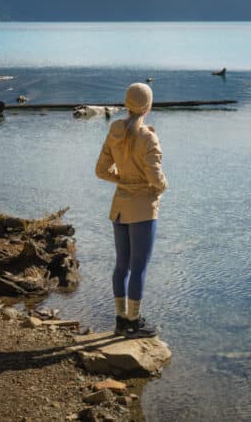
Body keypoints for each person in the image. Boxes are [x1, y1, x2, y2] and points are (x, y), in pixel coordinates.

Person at [95, 82, 168, 338]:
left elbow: (101, 171)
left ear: (127, 104)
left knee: (121, 266)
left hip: (119, 208)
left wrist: (122, 179)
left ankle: (120, 321)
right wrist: (162, 187)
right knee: (138, 268)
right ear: (148, 106)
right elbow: (155, 175)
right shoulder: (148, 136)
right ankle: (134, 323)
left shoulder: (115, 128)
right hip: (142, 210)